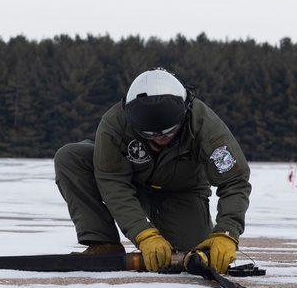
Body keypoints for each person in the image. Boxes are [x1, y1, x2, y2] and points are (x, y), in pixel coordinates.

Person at [54, 68, 251, 274]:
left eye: (168, 131)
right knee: (71, 157)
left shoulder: (205, 126)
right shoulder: (114, 123)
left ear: (184, 111)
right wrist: (143, 234)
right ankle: (103, 243)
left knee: (190, 257)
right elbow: (112, 182)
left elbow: (235, 181)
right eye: (149, 133)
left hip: (181, 194)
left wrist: (226, 233)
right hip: (132, 183)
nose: (159, 137)